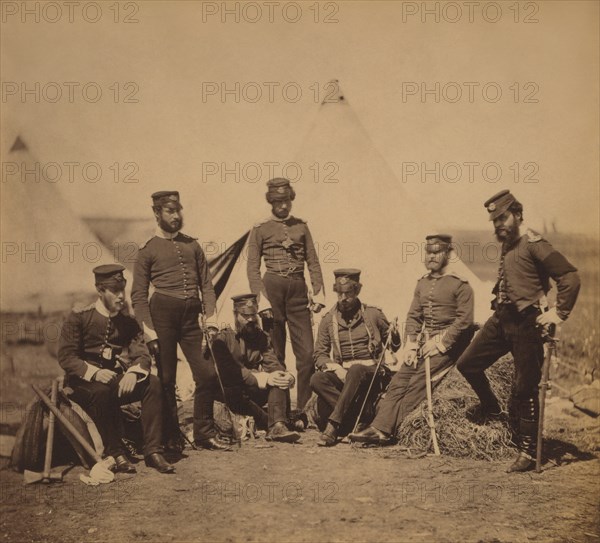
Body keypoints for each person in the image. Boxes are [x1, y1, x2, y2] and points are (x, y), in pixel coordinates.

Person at [456, 190, 580, 472]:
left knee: (525, 387)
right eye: (494, 220)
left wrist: (558, 313)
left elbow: (570, 277)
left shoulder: (535, 243)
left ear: (518, 214)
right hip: (501, 320)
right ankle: (492, 409)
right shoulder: (508, 243)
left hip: (527, 323)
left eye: (503, 217)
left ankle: (528, 452)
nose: (498, 224)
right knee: (467, 364)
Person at [349, 235, 475, 445]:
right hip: (424, 344)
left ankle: (394, 430)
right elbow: (414, 316)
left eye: (438, 252)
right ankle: (378, 428)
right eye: (429, 252)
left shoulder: (460, 285)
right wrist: (411, 345)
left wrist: (439, 344)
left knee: (417, 383)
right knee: (399, 381)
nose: (432, 256)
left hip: (450, 346)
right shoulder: (422, 283)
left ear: (448, 254)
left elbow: (464, 321)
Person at [131, 191, 228, 451]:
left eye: (178, 211)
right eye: (169, 211)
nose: (176, 216)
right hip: (161, 314)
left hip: (191, 319)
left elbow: (206, 285)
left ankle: (204, 434)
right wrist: (149, 333)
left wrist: (211, 318)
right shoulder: (147, 250)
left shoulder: (192, 245)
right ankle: (171, 437)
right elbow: (138, 296)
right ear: (156, 213)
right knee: (166, 379)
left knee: (207, 374)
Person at [58, 264, 174, 474]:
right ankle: (116, 452)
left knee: (152, 384)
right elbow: (67, 357)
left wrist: (132, 373)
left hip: (113, 381)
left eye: (123, 290)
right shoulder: (80, 317)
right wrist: (94, 372)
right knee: (101, 391)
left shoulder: (127, 322)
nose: (121, 296)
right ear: (100, 290)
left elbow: (141, 353)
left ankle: (153, 451)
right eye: (115, 291)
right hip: (82, 385)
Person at [247, 178, 326, 410]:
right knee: (276, 352)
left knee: (307, 353)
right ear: (271, 202)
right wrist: (261, 299)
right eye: (278, 201)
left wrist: (319, 293)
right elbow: (252, 267)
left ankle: (304, 410)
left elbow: (313, 261)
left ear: (292, 199)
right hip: (272, 288)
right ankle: (279, 412)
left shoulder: (301, 226)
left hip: (298, 289)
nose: (283, 206)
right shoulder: (260, 229)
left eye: (287, 201)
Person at [310, 269, 401, 446]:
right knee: (316, 379)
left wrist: (395, 334)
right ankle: (359, 417)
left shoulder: (373, 314)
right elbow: (319, 354)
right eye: (339, 293)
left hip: (373, 373)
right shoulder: (328, 320)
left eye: (348, 293)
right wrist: (337, 369)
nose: (343, 298)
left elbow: (394, 346)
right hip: (344, 372)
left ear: (357, 291)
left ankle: (334, 425)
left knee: (356, 369)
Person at [207, 294, 301, 443]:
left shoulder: (260, 336)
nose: (250, 319)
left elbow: (272, 361)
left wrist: (284, 375)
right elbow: (230, 371)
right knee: (237, 390)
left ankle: (278, 427)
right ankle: (272, 420)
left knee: (278, 378)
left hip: (252, 388)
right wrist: (263, 378)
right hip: (230, 391)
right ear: (235, 314)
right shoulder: (223, 338)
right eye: (245, 315)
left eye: (253, 315)